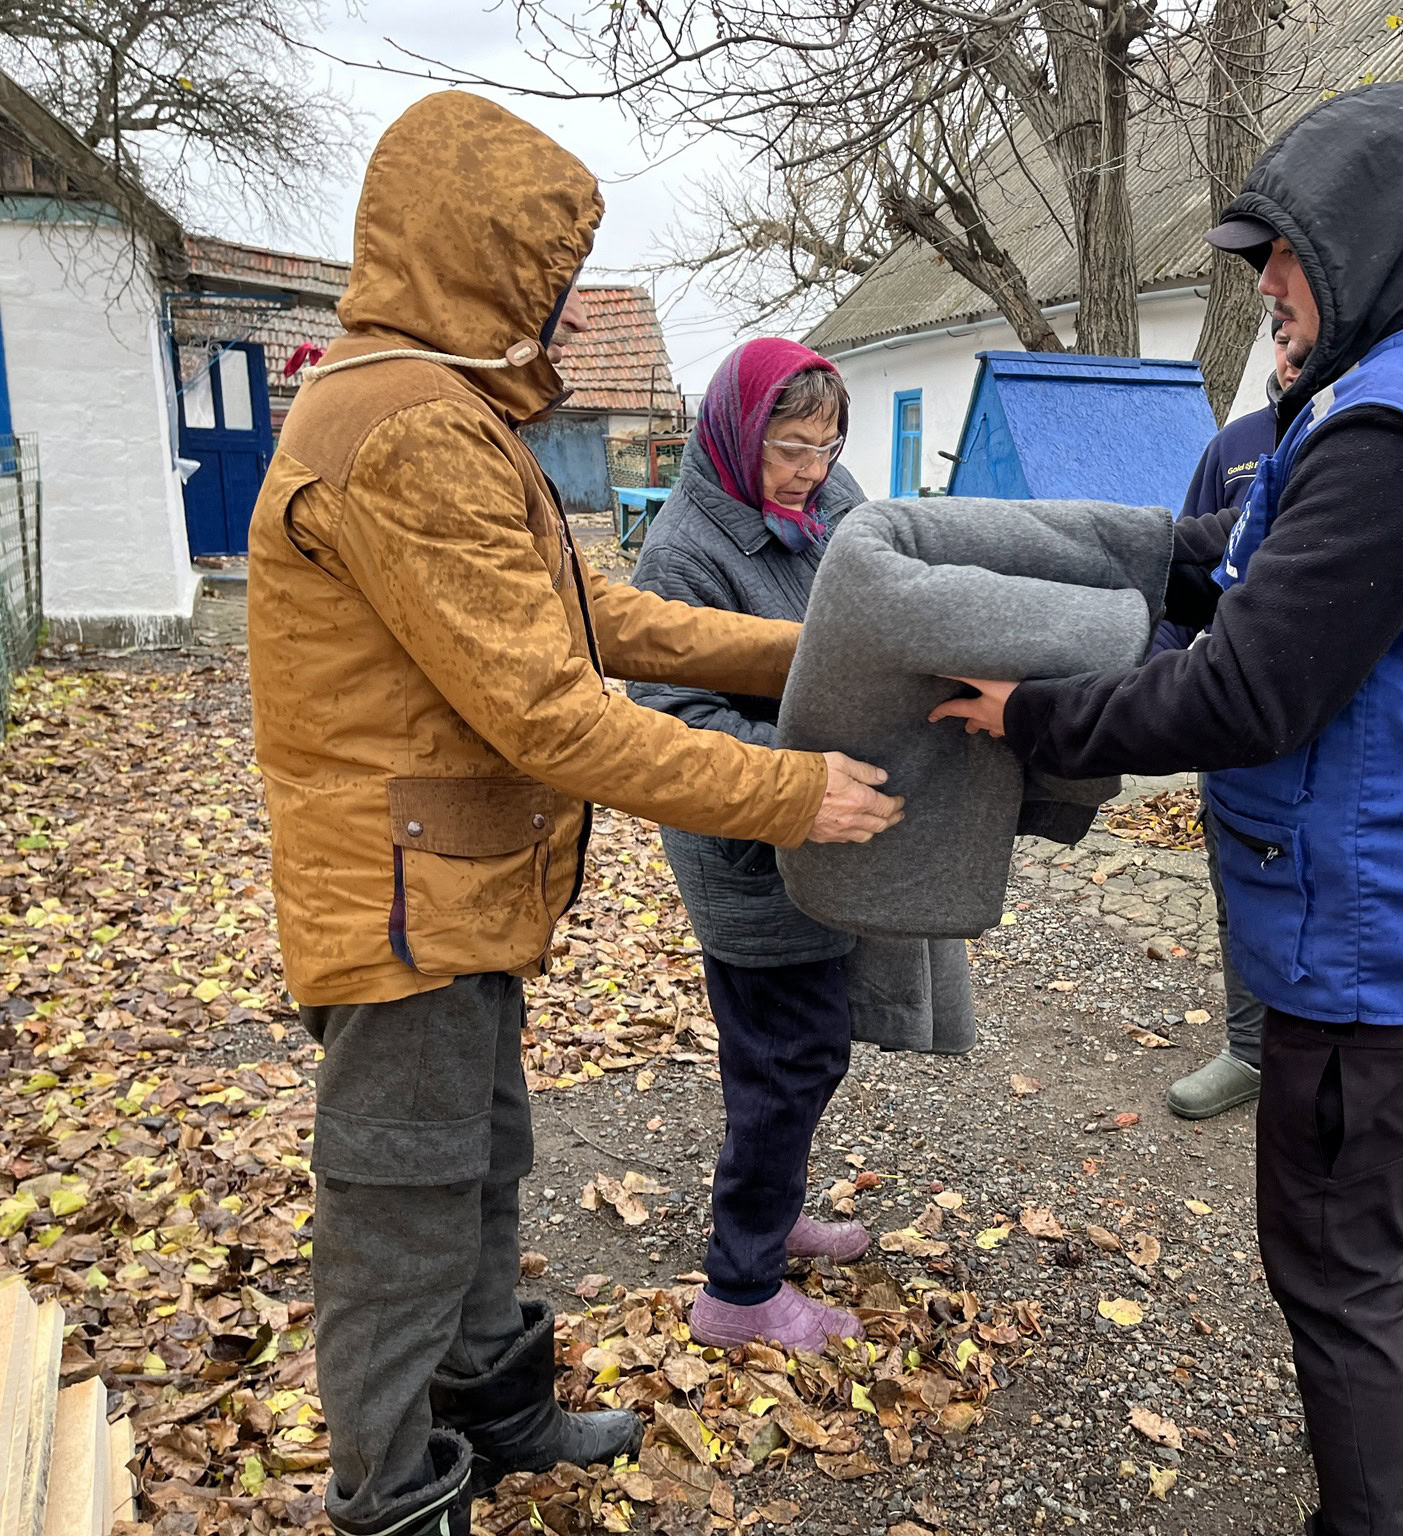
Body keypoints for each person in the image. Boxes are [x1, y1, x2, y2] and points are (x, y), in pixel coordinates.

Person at [246, 93, 902, 1536]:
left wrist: (816, 649)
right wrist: (794, 788)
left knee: (480, 1161)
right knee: (401, 1197)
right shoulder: (402, 424)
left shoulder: (441, 410)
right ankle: (394, 1490)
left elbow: (595, 612)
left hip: (453, 880)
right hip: (397, 894)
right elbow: (549, 710)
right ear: (473, 254)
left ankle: (493, 1397)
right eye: (538, 274)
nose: (548, 306)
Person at [929, 81, 1403, 1536]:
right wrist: (1131, 555)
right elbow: (1279, 551)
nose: (1265, 284)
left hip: (1376, 922)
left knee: (1335, 1246)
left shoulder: (1390, 429)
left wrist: (1027, 712)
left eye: (1281, 252)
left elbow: (1245, 694)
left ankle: (1382, 1511)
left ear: (1366, 245)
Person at [627, 339, 872, 1353]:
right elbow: (672, 723)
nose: (810, 472)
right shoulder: (683, 551)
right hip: (747, 842)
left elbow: (880, 581)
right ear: (737, 434)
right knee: (785, 1056)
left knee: (805, 1051)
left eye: (825, 447)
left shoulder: (828, 496)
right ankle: (738, 1289)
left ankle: (771, 1218)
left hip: (825, 822)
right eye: (789, 449)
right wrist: (802, 768)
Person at [1154, 319, 1297, 1121]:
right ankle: (1249, 1050)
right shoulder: (1235, 446)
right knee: (1236, 881)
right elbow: (1183, 572)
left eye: (1296, 332)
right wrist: (1146, 672)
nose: (1286, 349)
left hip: (1314, 716)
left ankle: (1309, 1054)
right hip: (1233, 711)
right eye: (1275, 335)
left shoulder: (1353, 437)